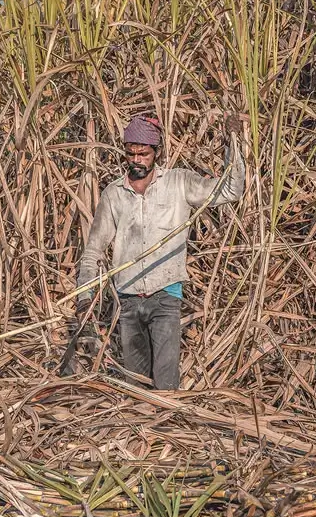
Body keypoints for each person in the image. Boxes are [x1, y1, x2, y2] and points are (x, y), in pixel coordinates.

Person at [69, 114, 246, 389]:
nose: (137, 160)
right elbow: (94, 249)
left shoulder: (179, 183)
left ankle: (169, 429)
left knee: (165, 386)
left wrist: (233, 145)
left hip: (166, 297)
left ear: (157, 152)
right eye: (131, 154)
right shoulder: (114, 194)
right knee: (136, 388)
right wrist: (85, 297)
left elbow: (231, 190)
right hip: (127, 302)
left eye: (144, 154)